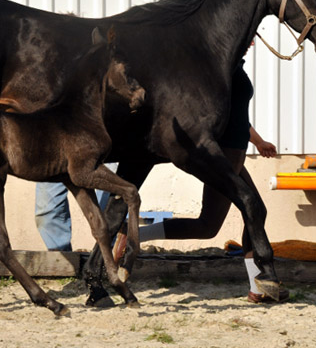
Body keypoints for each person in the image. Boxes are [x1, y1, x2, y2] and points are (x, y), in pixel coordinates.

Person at [113, 57, 288, 303]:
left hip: (235, 152)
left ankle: (258, 287)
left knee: (236, 218)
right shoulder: (221, 65)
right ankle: (137, 236)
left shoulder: (234, 63)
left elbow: (238, 114)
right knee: (233, 218)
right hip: (224, 154)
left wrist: (257, 141)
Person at [35, 162, 117, 251]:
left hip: (100, 153)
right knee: (46, 213)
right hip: (57, 153)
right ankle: (62, 259)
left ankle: (104, 257)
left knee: (109, 213)